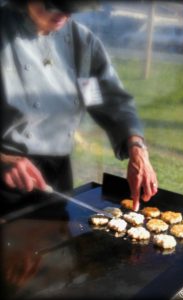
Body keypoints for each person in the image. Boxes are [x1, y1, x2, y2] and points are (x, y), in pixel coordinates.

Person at [0, 0, 158, 214]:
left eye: (71, 8)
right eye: (54, 5)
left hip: (58, 177)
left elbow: (110, 100)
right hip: (5, 184)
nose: (64, 15)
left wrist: (136, 147)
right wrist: (4, 160)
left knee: (54, 243)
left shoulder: (80, 42)